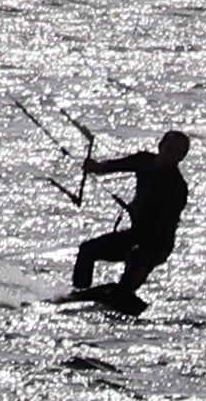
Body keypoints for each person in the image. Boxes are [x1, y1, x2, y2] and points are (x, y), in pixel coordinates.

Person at [71, 130, 193, 309]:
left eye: (178, 152)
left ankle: (123, 294)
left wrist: (147, 264)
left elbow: (165, 227)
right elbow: (112, 166)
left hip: (157, 244)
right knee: (88, 250)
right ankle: (78, 293)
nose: (172, 155)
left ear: (182, 157)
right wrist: (97, 167)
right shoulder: (144, 161)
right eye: (170, 148)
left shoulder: (177, 187)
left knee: (136, 256)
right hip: (135, 235)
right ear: (161, 146)